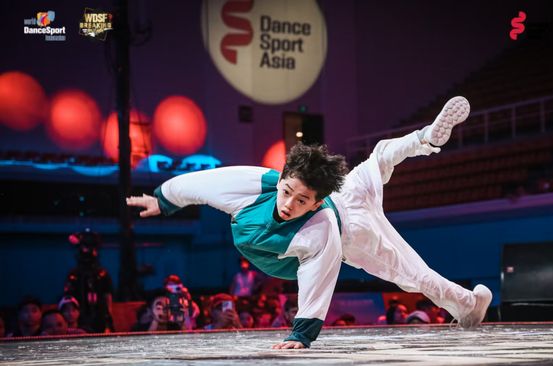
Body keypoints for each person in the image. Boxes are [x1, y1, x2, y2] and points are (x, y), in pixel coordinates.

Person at [126, 96, 492, 349]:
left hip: (354, 231)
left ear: (315, 202)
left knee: (413, 275)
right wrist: (164, 199)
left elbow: (319, 276)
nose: (288, 205)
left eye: (301, 201)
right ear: (282, 177)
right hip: (346, 188)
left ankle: (426, 139)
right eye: (287, 192)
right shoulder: (261, 184)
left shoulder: (320, 227)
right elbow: (206, 183)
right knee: (378, 157)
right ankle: (423, 139)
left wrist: (302, 334)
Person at [63, 228, 114, 333]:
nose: (87, 251)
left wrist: (108, 319)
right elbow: (69, 298)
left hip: (99, 316)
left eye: (90, 247)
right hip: (79, 319)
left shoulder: (102, 274)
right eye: (84, 247)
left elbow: (107, 296)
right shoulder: (74, 275)